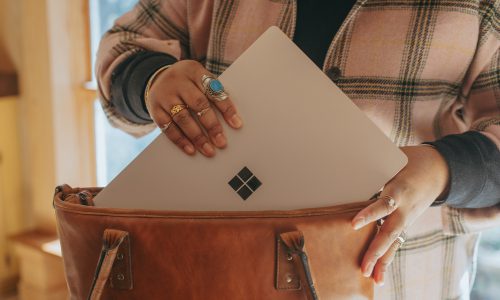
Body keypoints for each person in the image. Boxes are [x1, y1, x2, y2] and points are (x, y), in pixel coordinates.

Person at [95, 0, 500, 298]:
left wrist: (442, 168)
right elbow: (123, 45)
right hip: (213, 273)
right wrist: (153, 80)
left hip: (405, 280)